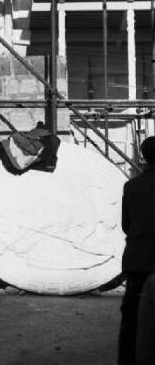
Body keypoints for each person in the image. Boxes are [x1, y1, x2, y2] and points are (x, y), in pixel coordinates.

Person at [118, 136, 155, 364]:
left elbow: (126, 224)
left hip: (138, 261)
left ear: (143, 157)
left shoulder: (131, 186)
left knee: (132, 319)